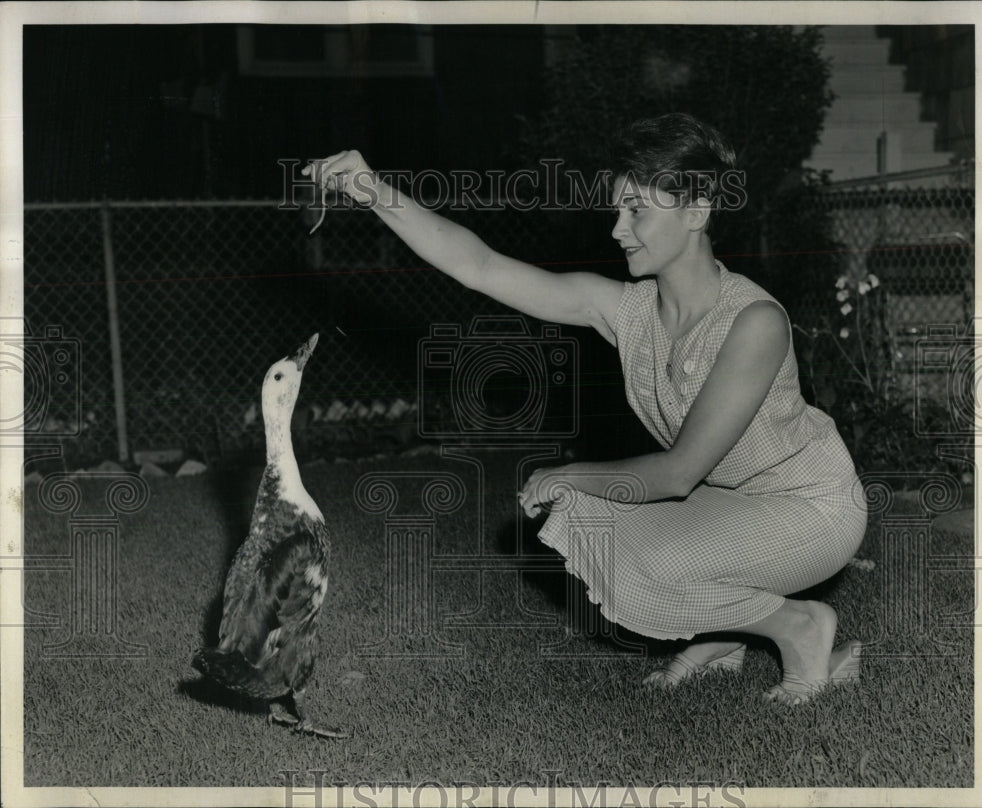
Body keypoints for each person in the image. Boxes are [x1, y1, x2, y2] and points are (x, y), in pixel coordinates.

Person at [305, 113, 867, 706]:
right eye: (617, 210)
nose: (618, 229)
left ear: (696, 211)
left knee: (631, 554)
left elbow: (677, 474)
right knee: (585, 523)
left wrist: (569, 473)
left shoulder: (755, 322)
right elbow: (480, 267)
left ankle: (801, 628)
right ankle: (723, 635)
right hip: (732, 501)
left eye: (637, 211)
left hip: (812, 509)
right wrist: (372, 191)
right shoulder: (626, 311)